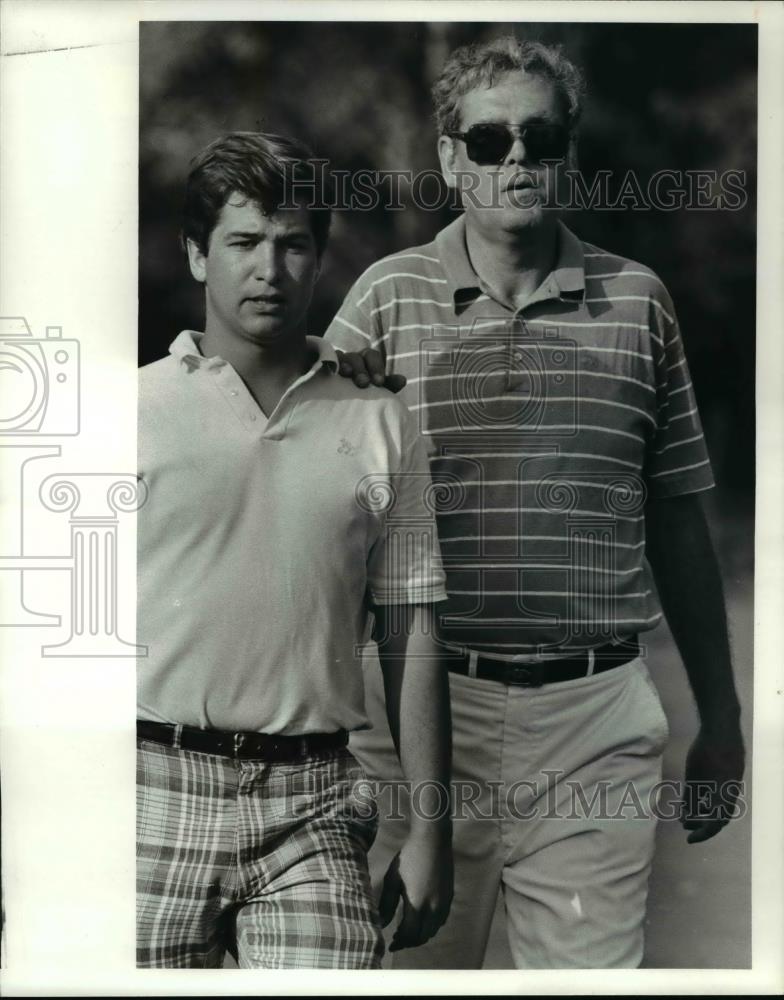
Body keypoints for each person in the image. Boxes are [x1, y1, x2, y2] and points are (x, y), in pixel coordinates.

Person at [326, 37, 745, 969]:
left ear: (569, 150)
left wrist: (722, 720)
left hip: (594, 717)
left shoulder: (640, 303)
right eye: (487, 141)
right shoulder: (383, 302)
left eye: (540, 136)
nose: (515, 159)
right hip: (421, 720)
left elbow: (679, 517)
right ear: (448, 157)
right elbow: (305, 502)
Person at [136, 131, 453, 969]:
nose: (268, 270)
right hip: (143, 790)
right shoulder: (125, 411)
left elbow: (411, 629)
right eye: (242, 243)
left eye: (292, 244)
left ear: (320, 258)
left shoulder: (380, 415)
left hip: (313, 801)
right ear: (198, 256)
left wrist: (430, 827)